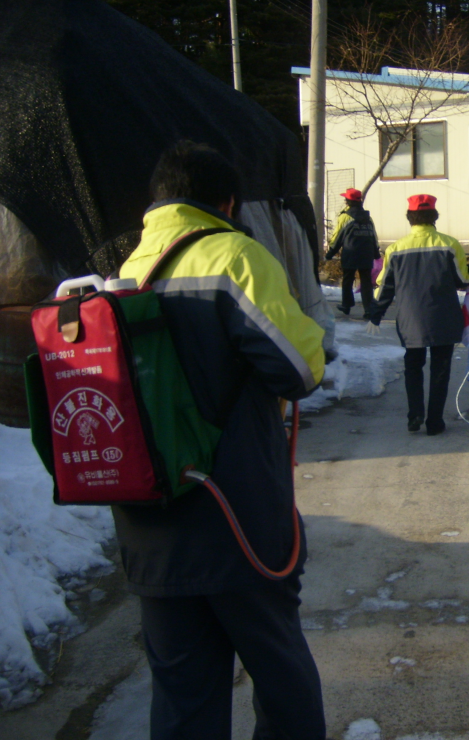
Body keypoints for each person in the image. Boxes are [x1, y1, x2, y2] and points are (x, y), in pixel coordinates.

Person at [116, 140, 327, 740]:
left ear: (158, 202)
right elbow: (299, 369)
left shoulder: (123, 272)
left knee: (183, 697)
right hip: (237, 519)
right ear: (227, 202)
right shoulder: (235, 256)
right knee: (280, 677)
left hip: (150, 528)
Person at [368, 194, 469, 436]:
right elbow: (463, 279)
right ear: (434, 216)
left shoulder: (395, 249)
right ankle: (435, 422)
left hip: (411, 320)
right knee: (440, 370)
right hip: (444, 318)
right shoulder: (449, 244)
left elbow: (385, 286)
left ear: (410, 217)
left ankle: (415, 414)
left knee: (413, 366)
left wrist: (376, 314)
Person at [326, 187, 380, 318]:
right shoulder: (368, 217)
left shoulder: (345, 217)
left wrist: (330, 252)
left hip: (351, 252)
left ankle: (346, 305)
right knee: (366, 281)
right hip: (366, 253)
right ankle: (368, 310)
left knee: (348, 279)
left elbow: (338, 236)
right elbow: (373, 236)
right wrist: (376, 253)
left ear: (348, 201)